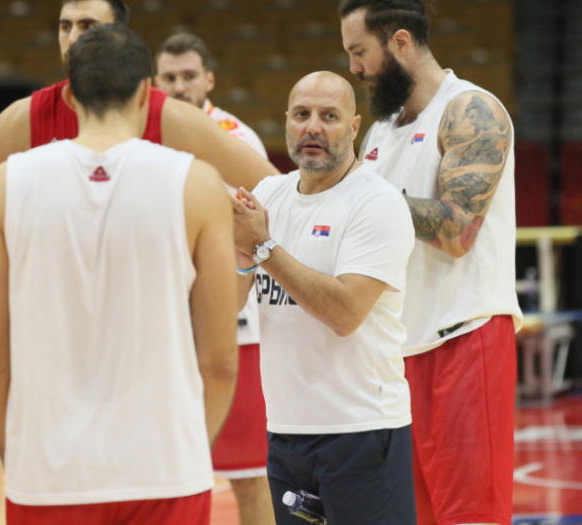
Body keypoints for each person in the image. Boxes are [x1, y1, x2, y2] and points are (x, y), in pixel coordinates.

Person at [0, 25, 239, 525]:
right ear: (146, 92)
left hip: (48, 476)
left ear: (69, 96)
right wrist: (186, 453)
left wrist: (22, 458)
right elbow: (221, 361)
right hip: (165, 471)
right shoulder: (197, 184)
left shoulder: (6, 184)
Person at [339, 2, 522, 524]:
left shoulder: (471, 109)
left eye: (359, 52)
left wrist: (363, 200)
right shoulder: (379, 133)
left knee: (471, 517)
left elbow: (458, 228)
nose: (353, 68)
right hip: (396, 353)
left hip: (464, 340)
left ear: (400, 42)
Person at [0, 0, 280, 255]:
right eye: (65, 26)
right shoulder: (26, 116)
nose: (73, 37)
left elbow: (273, 191)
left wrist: (248, 263)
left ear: (118, 35)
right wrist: (9, 282)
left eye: (87, 26)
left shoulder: (169, 116)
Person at [233, 72, 416, 525]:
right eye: (302, 115)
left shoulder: (377, 203)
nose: (313, 127)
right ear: (287, 123)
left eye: (328, 116)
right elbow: (233, 301)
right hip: (286, 432)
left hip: (361, 431)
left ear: (354, 127)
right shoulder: (269, 195)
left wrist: (263, 249)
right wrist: (238, 252)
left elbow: (345, 311)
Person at [155, 32, 275, 525]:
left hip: (233, 324)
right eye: (170, 77)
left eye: (189, 76)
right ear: (154, 81)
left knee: (250, 477)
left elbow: (252, 224)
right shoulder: (144, 135)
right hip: (167, 321)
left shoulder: (234, 139)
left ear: (209, 79)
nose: (180, 86)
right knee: (173, 475)